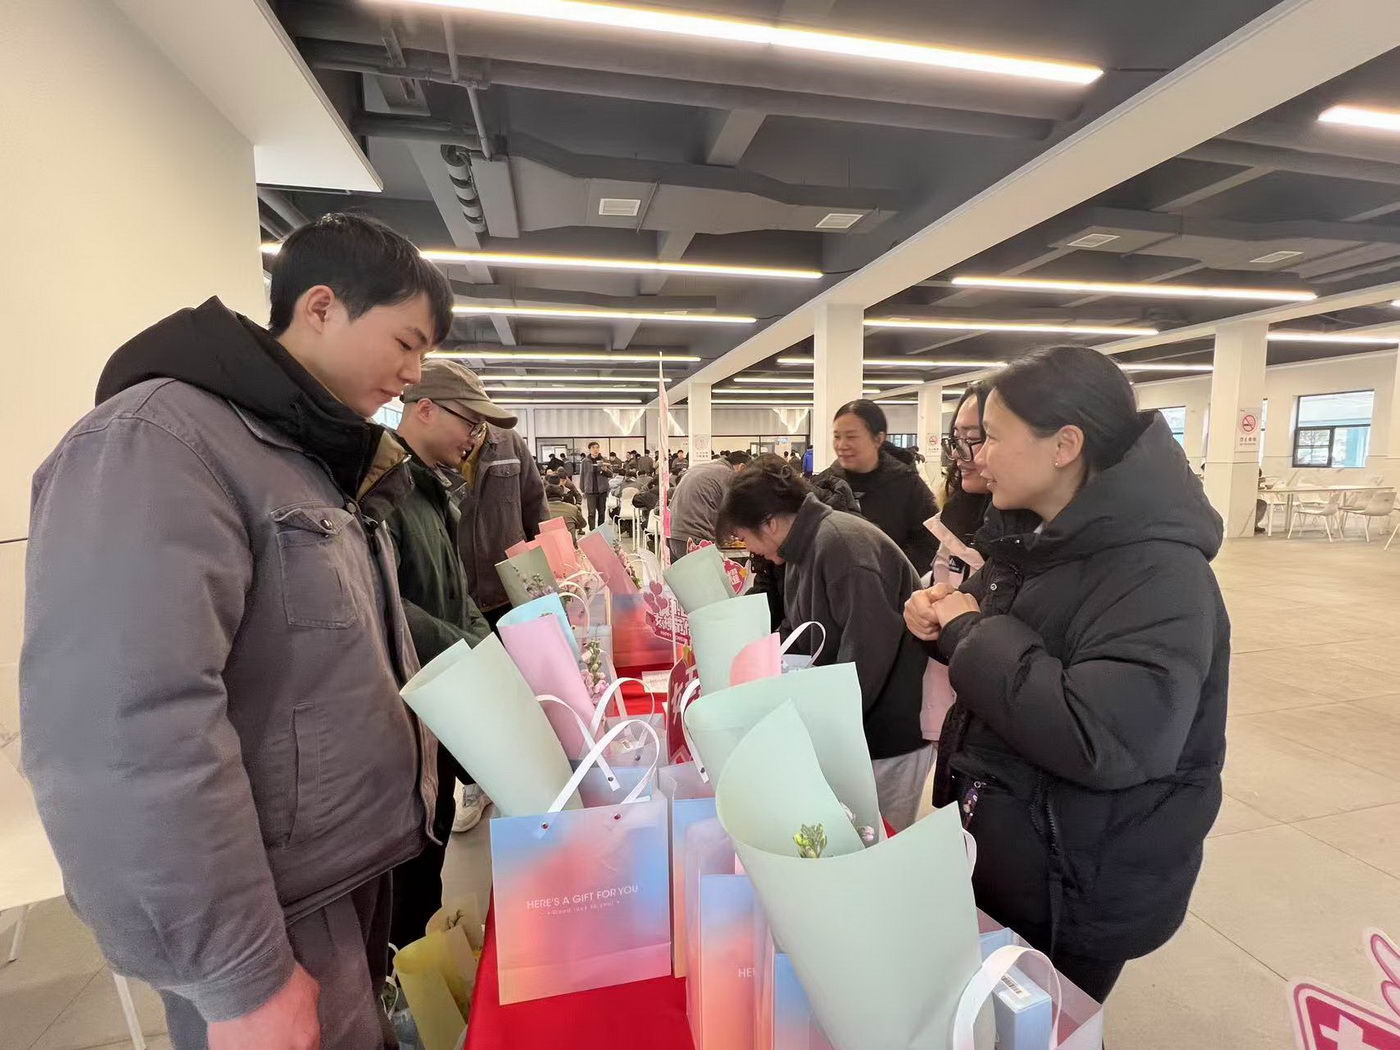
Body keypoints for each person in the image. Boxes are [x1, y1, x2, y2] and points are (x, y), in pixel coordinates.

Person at [21, 213, 453, 1050]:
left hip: (340, 880)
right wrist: (237, 974)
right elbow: (124, 730)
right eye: (407, 342)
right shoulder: (158, 442)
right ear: (321, 307)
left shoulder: (300, 458)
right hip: (269, 916)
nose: (413, 374)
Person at [903, 345, 1228, 1003]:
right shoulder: (1032, 542)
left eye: (993, 437)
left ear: (1064, 445)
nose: (978, 457)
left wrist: (969, 631)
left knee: (1046, 1026)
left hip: (1077, 878)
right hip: (1012, 850)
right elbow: (1004, 655)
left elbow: (1103, 736)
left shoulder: (1159, 572)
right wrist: (942, 627)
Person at [717, 459, 930, 830]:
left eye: (744, 537)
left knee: (877, 842)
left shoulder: (843, 545)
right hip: (851, 727)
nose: (749, 549)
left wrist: (825, 732)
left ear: (769, 523)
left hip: (884, 734)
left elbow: (867, 657)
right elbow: (799, 633)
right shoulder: (802, 549)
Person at [388, 361, 496, 951]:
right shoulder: (384, 492)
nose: (473, 439)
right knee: (411, 859)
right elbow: (383, 604)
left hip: (443, 696)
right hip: (408, 706)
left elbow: (456, 590)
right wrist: (468, 648)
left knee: (435, 836)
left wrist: (487, 648)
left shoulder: (431, 491)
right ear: (424, 408)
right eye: (469, 423)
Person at [453, 368, 549, 627]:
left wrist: (548, 571)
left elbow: (535, 506)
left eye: (479, 424)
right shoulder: (435, 449)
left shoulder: (509, 441)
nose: (473, 434)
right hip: (459, 597)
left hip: (512, 587)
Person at [819, 400, 938, 573]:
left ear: (878, 438)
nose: (842, 445)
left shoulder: (907, 485)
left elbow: (928, 543)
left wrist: (887, 571)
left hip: (893, 584)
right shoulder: (824, 485)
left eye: (851, 436)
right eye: (837, 436)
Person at [930, 383, 993, 588]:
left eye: (972, 438)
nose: (957, 453)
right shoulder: (954, 517)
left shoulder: (1036, 537)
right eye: (957, 439)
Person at [667, 449, 751, 562]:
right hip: (696, 540)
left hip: (674, 537)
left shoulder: (701, 468)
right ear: (742, 468)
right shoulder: (728, 475)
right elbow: (734, 513)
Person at [580, 440, 613, 529]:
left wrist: (605, 470)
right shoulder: (585, 461)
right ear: (589, 449)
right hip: (590, 491)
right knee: (591, 513)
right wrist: (582, 490)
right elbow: (582, 475)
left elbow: (611, 474)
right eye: (593, 448)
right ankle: (592, 531)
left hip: (602, 491)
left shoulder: (604, 460)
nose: (595, 449)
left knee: (602, 512)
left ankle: (600, 531)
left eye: (597, 447)